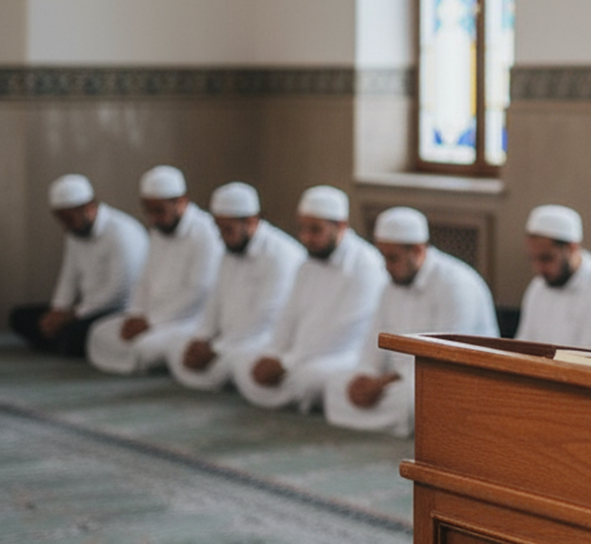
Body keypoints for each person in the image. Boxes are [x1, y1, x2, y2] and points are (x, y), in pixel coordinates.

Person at [324, 207, 498, 436]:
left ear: (417, 251)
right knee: (335, 385)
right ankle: (398, 422)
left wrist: (383, 383)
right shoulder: (391, 286)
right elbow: (374, 342)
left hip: (452, 381)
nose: (386, 266)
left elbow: (447, 357)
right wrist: (366, 375)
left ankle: (402, 421)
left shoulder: (456, 284)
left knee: (415, 399)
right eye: (383, 256)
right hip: (395, 383)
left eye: (392, 258)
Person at [232, 185, 387, 412]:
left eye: (315, 230)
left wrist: (287, 363)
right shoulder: (307, 264)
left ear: (341, 226)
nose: (306, 238)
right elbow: (289, 315)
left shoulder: (366, 265)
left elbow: (343, 331)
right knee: (243, 364)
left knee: (310, 379)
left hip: (341, 355)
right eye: (302, 229)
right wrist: (275, 353)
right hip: (300, 357)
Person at [167, 182, 307, 391]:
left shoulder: (281, 256)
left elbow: (267, 317)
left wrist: (216, 349)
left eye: (228, 229)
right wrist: (202, 338)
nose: (221, 236)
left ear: (251, 222)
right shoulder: (230, 250)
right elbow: (215, 300)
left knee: (239, 365)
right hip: (226, 342)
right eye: (219, 228)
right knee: (175, 349)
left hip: (261, 340)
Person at [87, 165, 222, 374]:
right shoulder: (159, 232)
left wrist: (151, 321)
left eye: (159, 211)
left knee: (145, 348)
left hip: (187, 320)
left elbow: (199, 291)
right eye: (148, 210)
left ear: (181, 202)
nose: (153, 218)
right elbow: (143, 280)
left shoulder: (206, 234)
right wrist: (135, 313)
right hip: (149, 316)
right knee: (98, 331)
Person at [9, 174, 149, 357]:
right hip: (83, 310)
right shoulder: (75, 232)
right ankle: (62, 342)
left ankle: (64, 343)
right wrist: (57, 310)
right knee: (19, 317)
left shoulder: (122, 232)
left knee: (74, 334)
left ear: (88, 208)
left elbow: (120, 290)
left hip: (117, 311)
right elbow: (68, 275)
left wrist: (74, 314)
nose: (65, 227)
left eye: (68, 219)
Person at [513, 204, 591, 349]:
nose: (538, 268)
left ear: (572, 248)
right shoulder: (539, 287)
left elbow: (589, 362)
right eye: (533, 259)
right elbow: (523, 345)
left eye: (546, 259)